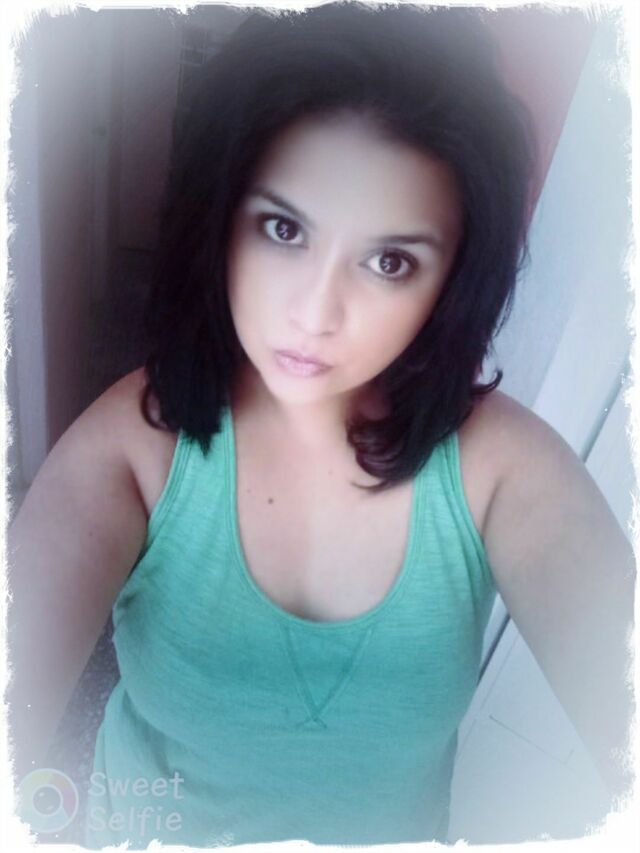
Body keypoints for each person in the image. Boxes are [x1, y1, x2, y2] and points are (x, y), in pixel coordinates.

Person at [7, 2, 635, 848]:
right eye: (284, 228)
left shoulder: (503, 472)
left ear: (452, 281)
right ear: (219, 216)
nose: (315, 311)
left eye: (389, 261)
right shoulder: (131, 448)